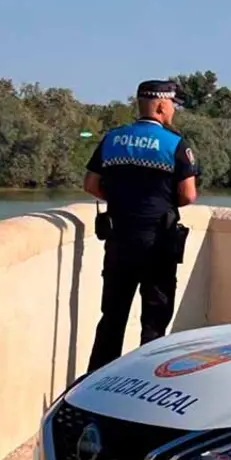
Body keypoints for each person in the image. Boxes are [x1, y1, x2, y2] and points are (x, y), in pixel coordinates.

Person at [83, 79, 199, 373]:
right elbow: (188, 194)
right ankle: (145, 381)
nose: (173, 111)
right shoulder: (174, 144)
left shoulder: (112, 139)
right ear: (161, 105)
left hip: (120, 239)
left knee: (112, 316)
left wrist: (123, 200)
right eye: (173, 105)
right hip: (159, 242)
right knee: (154, 320)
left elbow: (91, 184)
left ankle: (98, 381)